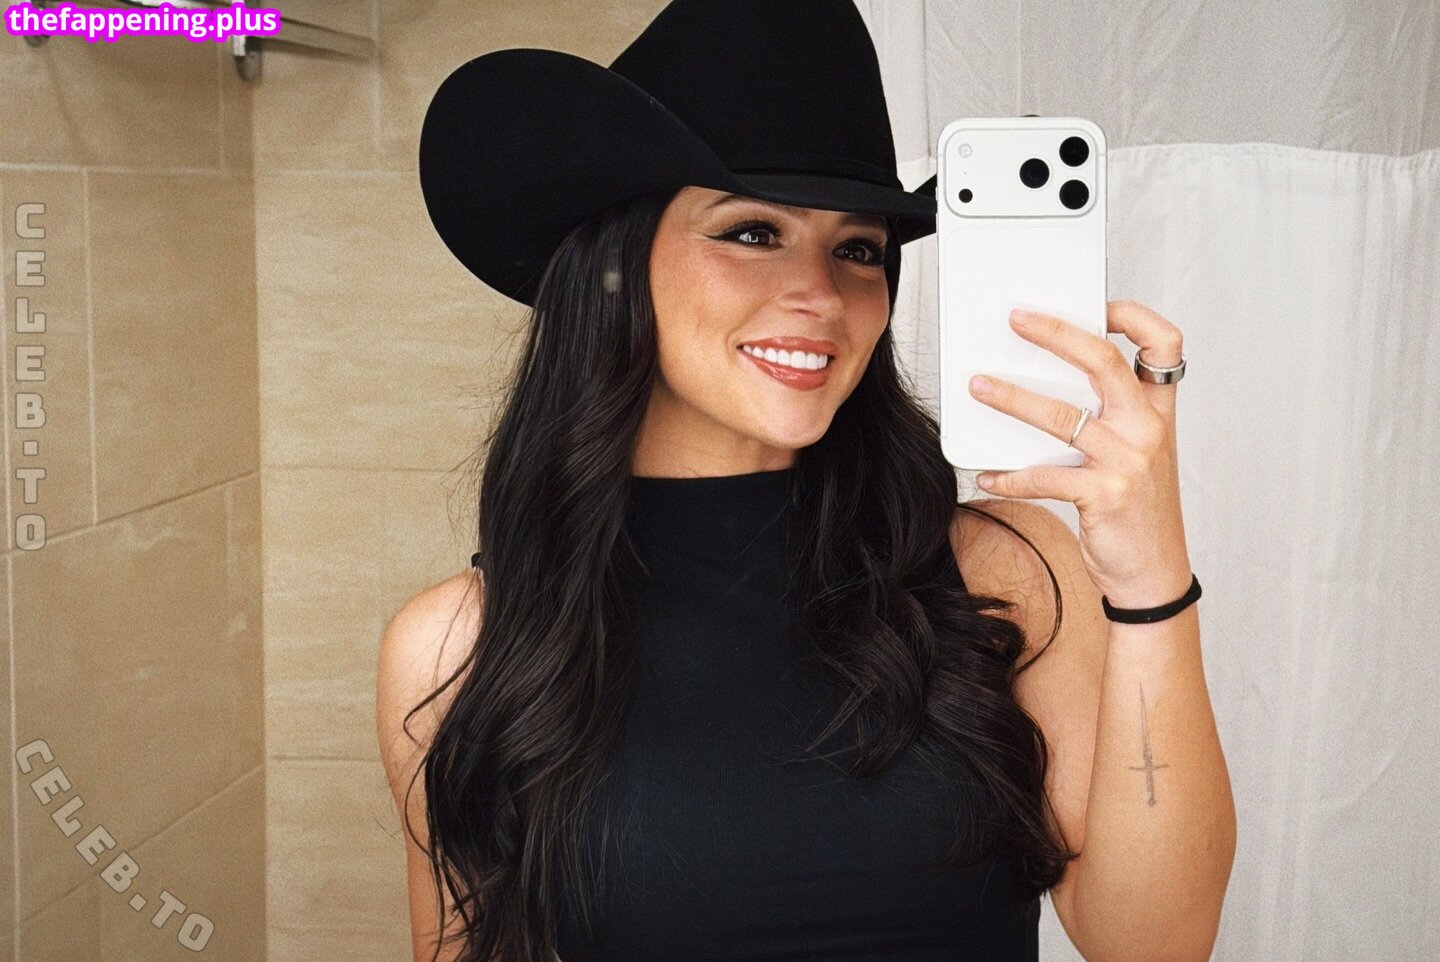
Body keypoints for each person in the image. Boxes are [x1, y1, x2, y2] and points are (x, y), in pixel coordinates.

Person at [377, 3, 1235, 962]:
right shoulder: (458, 649)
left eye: (858, 249)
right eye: (753, 232)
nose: (822, 296)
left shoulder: (1005, 570)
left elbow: (1156, 946)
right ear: (617, 263)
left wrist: (1152, 579)